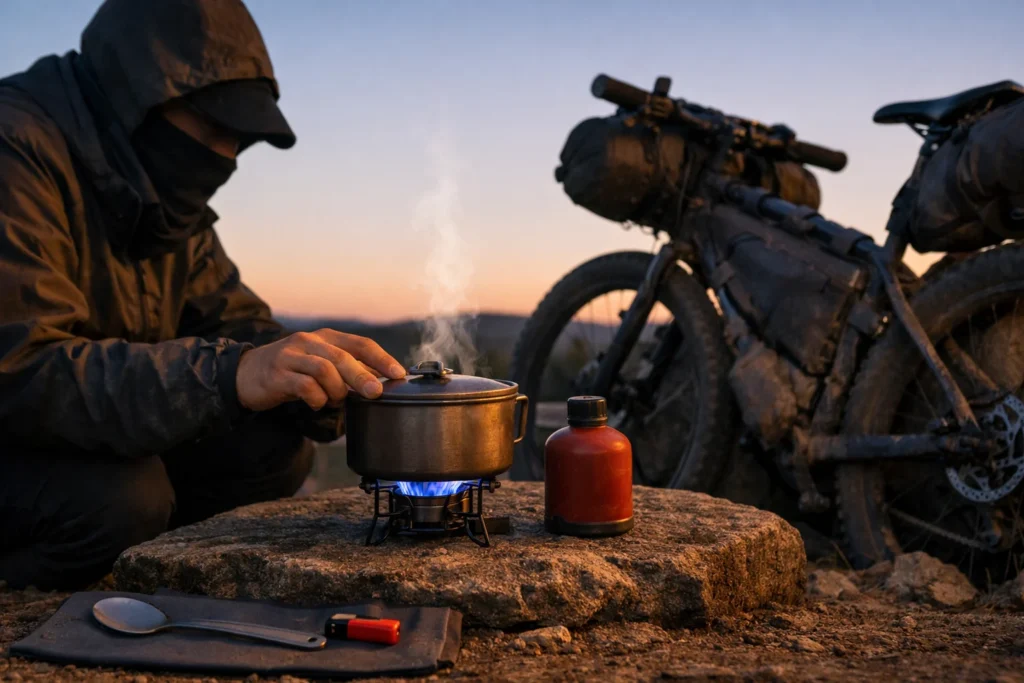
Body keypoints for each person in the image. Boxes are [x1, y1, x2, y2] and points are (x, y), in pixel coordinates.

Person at [0, 0, 405, 591]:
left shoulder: (159, 194)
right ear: (140, 95)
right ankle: (26, 613)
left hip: (74, 434)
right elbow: (21, 371)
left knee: (273, 445)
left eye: (239, 140)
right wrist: (227, 374)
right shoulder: (17, 146)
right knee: (118, 501)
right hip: (16, 431)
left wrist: (307, 378)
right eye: (215, 128)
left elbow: (236, 322)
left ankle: (155, 578)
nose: (227, 157)